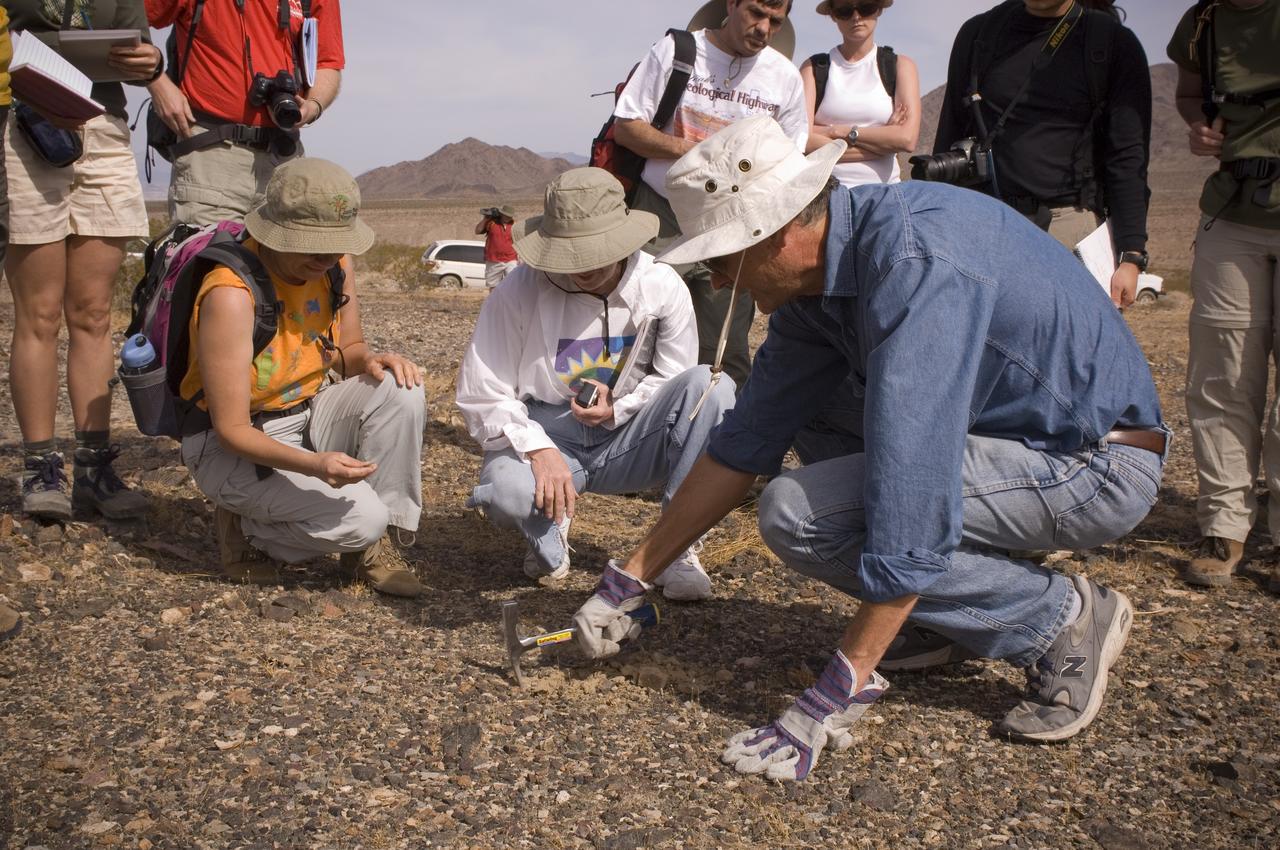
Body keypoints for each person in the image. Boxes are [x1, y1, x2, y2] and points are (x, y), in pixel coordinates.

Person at [572, 116, 1167, 782]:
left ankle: (1059, 619)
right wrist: (630, 577)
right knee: (805, 406)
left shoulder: (915, 263)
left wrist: (833, 694)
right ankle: (953, 617)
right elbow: (746, 442)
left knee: (799, 516)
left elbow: (911, 490)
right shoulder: (819, 284)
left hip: (1091, 464)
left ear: (778, 230)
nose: (715, 282)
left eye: (719, 257)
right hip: (1009, 442)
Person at [456, 168, 735, 598]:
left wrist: (619, 407)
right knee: (505, 494)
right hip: (550, 434)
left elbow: (676, 379)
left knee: (711, 387)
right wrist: (540, 449)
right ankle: (549, 526)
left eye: (593, 251)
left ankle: (676, 547)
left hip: (631, 436)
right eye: (571, 254)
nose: (583, 266)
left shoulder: (660, 285)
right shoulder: (519, 289)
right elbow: (482, 390)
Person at [179, 158, 426, 598]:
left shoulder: (333, 268)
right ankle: (248, 528)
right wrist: (317, 466)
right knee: (360, 520)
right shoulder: (230, 295)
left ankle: (370, 551)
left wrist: (371, 361)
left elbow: (347, 353)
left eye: (335, 245)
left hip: (309, 410)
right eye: (313, 246)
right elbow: (231, 429)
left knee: (400, 390)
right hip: (236, 442)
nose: (327, 257)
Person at [5, 0, 161, 523]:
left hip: (102, 125)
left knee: (94, 314)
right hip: (27, 124)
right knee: (39, 313)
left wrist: (150, 66)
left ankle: (94, 469)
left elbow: (139, 47)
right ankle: (40, 468)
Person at [613, 0, 807, 388]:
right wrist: (696, 153)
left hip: (735, 228)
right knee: (639, 327)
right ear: (731, 4)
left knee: (726, 346)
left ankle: (720, 436)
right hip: (664, 216)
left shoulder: (784, 78)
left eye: (775, 21)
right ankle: (621, 426)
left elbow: (791, 156)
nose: (764, 29)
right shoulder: (678, 52)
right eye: (755, 13)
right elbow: (627, 127)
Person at [932, 0, 1152, 308]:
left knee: (1071, 352)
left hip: (1069, 232)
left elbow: (1127, 157)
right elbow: (949, 133)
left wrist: (1131, 254)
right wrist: (938, 233)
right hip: (985, 226)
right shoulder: (979, 34)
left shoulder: (1112, 43)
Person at [1170, 0, 1280, 593]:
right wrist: (1199, 126)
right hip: (1232, 211)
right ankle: (1225, 525)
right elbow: (1191, 94)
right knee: (1221, 374)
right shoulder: (1205, 19)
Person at [145, 0, 345, 226]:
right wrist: (157, 82)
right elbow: (120, 20)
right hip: (212, 155)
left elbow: (327, 62)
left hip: (285, 157)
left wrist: (313, 106)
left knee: (293, 260)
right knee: (215, 257)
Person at [800, 0, 921, 188]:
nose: (856, 17)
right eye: (845, 11)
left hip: (885, 196)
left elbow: (906, 139)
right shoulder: (813, 69)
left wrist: (837, 131)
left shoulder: (900, 67)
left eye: (866, 8)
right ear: (833, 15)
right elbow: (802, 140)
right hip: (824, 195)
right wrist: (884, 145)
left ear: (878, 10)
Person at [474, 204, 518, 290]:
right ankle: (494, 302)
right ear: (501, 214)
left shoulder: (514, 225)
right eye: (506, 215)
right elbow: (477, 231)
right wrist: (486, 218)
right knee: (493, 286)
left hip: (510, 259)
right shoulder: (492, 223)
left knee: (513, 283)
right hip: (493, 260)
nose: (508, 218)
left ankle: (508, 302)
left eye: (509, 216)